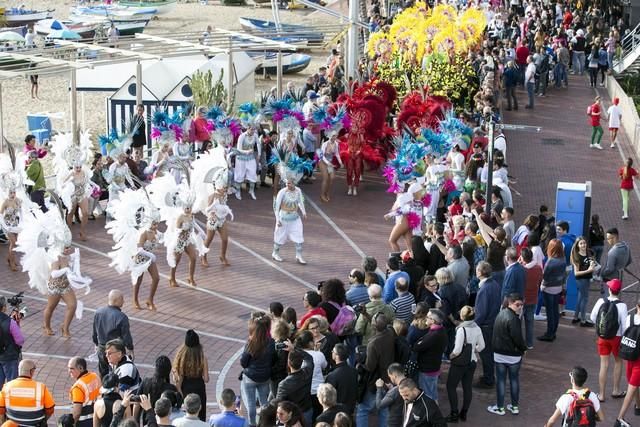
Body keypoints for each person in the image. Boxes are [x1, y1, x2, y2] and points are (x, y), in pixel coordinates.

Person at [487, 293, 527, 416]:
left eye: (521, 305)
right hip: (514, 355)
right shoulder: (514, 319)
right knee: (514, 380)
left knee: (501, 381)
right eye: (518, 305)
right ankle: (514, 406)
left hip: (499, 355)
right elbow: (518, 338)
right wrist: (523, 349)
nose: (520, 307)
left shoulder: (500, 314)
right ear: (510, 303)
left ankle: (500, 408)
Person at [590, 278, 628, 402]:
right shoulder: (622, 305)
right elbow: (624, 325)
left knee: (604, 365)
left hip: (602, 336)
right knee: (618, 362)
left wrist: (600, 327)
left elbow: (592, 317)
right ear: (619, 291)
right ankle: (616, 390)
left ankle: (601, 394)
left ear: (610, 289)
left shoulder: (601, 300)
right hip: (616, 338)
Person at [446, 306, 485, 422]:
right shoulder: (477, 328)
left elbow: (457, 350)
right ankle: (464, 413)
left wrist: (450, 356)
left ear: (462, 316)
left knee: (451, 386)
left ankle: (454, 413)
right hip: (472, 362)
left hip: (459, 364)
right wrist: (473, 350)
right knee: (467, 387)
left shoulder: (461, 330)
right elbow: (482, 346)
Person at [355, 312, 395, 427]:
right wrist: (366, 314)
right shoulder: (390, 331)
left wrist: (359, 364)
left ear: (373, 326)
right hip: (389, 378)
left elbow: (370, 366)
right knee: (384, 409)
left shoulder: (373, 344)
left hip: (376, 381)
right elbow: (379, 323)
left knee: (363, 409)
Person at [240, 313, 273, 426]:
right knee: (264, 402)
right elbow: (273, 359)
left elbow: (243, 363)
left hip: (250, 377)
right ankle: (265, 423)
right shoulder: (271, 342)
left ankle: (252, 423)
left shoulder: (251, 343)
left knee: (251, 403)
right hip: (265, 377)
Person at [0, 359, 55, 426]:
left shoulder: (7, 386)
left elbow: (1, 409)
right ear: (31, 371)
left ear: (19, 370)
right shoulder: (41, 387)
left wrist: (3, 423)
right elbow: (50, 409)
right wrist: (43, 420)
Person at [93, 290, 134, 378]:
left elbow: (94, 331)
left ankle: (104, 388)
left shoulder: (98, 312)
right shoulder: (122, 317)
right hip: (114, 350)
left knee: (103, 373)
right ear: (116, 301)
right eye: (122, 299)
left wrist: (96, 343)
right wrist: (130, 349)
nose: (124, 301)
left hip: (101, 348)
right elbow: (126, 336)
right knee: (116, 373)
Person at [474, 262, 501, 388]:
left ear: (480, 272)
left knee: (485, 353)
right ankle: (488, 376)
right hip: (492, 323)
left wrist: (473, 325)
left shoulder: (484, 289)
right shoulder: (494, 284)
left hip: (486, 326)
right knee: (488, 353)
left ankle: (488, 379)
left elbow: (482, 312)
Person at [173, 330, 209, 422]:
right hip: (199, 390)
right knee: (200, 417)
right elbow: (206, 379)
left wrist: (181, 395)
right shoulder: (202, 357)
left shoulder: (182, 358)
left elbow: (178, 383)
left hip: (186, 390)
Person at [413, 309, 448, 402]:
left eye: (427, 317)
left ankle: (430, 414)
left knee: (427, 396)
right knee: (432, 393)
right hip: (434, 367)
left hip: (427, 369)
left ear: (433, 321)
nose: (425, 319)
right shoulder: (441, 330)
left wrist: (419, 342)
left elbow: (417, 347)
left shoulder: (433, 335)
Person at [272, 350, 314, 424]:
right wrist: (294, 348)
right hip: (307, 410)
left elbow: (279, 403)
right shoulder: (308, 372)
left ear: (288, 363)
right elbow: (309, 358)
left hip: (292, 416)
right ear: (301, 362)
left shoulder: (283, 384)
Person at [272, 178, 307, 264]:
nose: (288, 185)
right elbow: (276, 207)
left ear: (295, 183)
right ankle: (275, 253)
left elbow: (300, 201)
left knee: (298, 235)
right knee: (280, 236)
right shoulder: (282, 192)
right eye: (287, 183)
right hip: (283, 218)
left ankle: (299, 256)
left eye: (290, 183)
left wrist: (304, 212)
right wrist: (277, 220)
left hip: (295, 218)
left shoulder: (298, 190)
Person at [538, 239, 566, 342]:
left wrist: (542, 286)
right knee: (555, 311)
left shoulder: (550, 261)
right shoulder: (563, 259)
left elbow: (545, 276)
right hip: (558, 288)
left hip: (549, 289)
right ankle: (553, 332)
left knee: (550, 313)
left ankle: (549, 334)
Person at [570, 237, 597, 326]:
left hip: (587, 278)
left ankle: (575, 317)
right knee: (585, 299)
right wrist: (589, 270)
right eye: (581, 243)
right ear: (577, 245)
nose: (583, 245)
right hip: (581, 280)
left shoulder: (588, 252)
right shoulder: (576, 256)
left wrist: (593, 264)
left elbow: (591, 261)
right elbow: (576, 273)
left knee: (580, 297)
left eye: (584, 243)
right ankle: (583, 320)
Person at [67, 357, 101, 427]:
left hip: (84, 422)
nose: (69, 371)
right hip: (98, 418)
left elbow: (77, 413)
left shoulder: (78, 387)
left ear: (81, 368)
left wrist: (71, 424)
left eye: (71, 368)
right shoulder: (95, 376)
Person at [325, 343, 358, 415]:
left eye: (333, 351)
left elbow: (329, 397)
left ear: (337, 356)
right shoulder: (354, 371)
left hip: (337, 412)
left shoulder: (333, 375)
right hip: (350, 409)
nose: (331, 352)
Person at [521, 248, 543, 349]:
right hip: (533, 298)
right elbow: (540, 280)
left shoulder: (522, 270)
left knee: (518, 323)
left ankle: (519, 342)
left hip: (522, 300)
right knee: (530, 323)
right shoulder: (538, 268)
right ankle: (529, 343)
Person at [0, 297, 24, 387]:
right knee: (12, 384)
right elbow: (20, 340)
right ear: (3, 308)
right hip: (9, 356)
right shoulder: (10, 322)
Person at [234, 126, 260, 201]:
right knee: (240, 174)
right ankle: (238, 191)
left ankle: (251, 190)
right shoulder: (242, 136)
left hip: (250, 157)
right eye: (251, 129)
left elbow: (258, 144)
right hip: (241, 158)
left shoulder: (255, 135)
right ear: (247, 128)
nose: (253, 131)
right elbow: (238, 149)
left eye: (254, 129)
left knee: (252, 173)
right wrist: (247, 151)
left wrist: (259, 154)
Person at [318, 131, 343, 202]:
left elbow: (337, 154)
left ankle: (327, 192)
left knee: (332, 177)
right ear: (329, 136)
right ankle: (322, 195)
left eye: (335, 136)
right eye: (333, 136)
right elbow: (321, 156)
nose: (334, 137)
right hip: (323, 162)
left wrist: (340, 162)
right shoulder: (325, 144)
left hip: (330, 163)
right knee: (325, 178)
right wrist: (327, 163)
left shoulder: (336, 144)